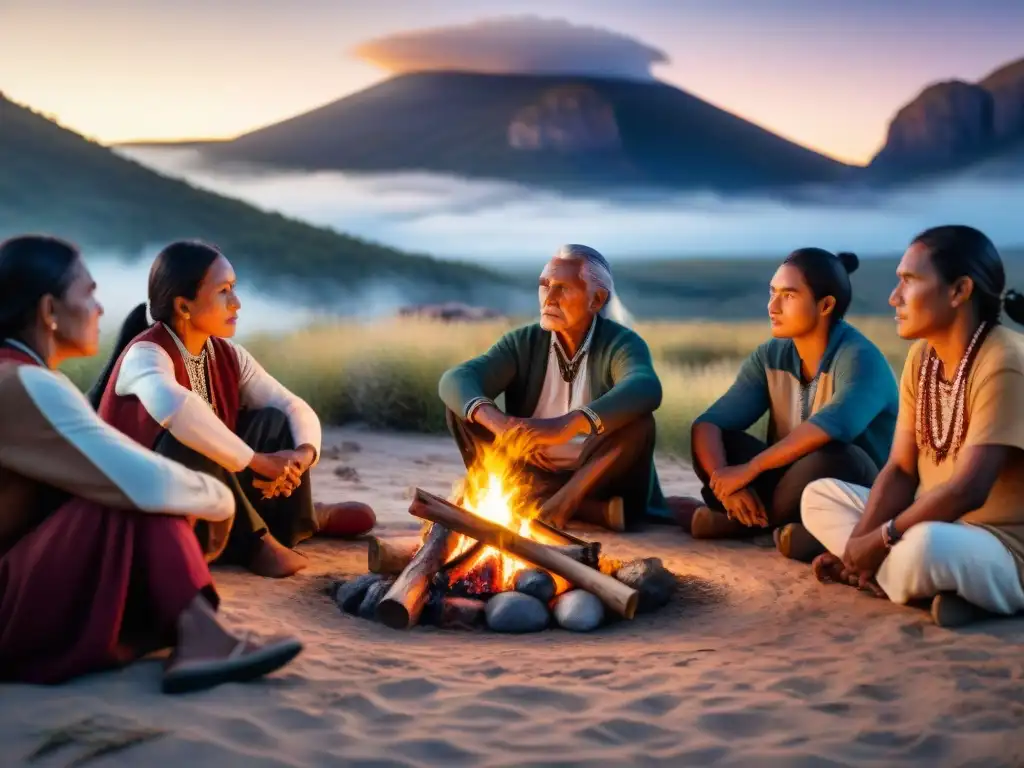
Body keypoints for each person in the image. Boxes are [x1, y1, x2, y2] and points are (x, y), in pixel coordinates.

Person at [0, 234, 302, 692]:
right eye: (89, 293)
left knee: (131, 490)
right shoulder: (24, 383)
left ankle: (198, 633)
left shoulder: (21, 376)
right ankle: (202, 637)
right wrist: (222, 502)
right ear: (49, 312)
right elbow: (140, 483)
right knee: (134, 495)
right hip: (9, 602)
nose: (101, 308)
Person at [90, 240, 375, 579]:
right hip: (146, 505)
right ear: (184, 306)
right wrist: (260, 462)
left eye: (234, 289)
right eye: (224, 291)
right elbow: (180, 411)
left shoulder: (226, 355)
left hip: (213, 496)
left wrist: (300, 456)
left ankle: (297, 521)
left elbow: (290, 404)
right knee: (191, 436)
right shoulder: (145, 355)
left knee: (273, 420)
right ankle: (256, 542)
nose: (236, 304)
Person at [802, 225, 1024, 627]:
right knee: (818, 497)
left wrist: (881, 539)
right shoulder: (923, 359)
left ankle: (907, 580)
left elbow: (969, 490)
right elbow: (901, 469)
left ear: (959, 291)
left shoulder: (1004, 360)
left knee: (925, 547)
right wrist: (859, 544)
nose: (894, 297)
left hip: (1000, 547)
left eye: (909, 281)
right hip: (931, 522)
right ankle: (931, 591)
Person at [670, 248, 898, 560]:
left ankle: (747, 524)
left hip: (854, 490)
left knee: (833, 456)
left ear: (825, 305)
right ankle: (779, 526)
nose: (772, 306)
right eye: (772, 292)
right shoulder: (770, 357)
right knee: (718, 444)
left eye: (788, 296)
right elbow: (710, 424)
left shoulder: (860, 358)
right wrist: (730, 484)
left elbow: (832, 428)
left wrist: (749, 470)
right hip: (787, 482)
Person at [439, 244, 666, 531]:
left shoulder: (621, 343)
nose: (550, 298)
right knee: (464, 408)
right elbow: (456, 378)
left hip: (596, 476)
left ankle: (564, 505)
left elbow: (645, 386)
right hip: (530, 470)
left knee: (639, 422)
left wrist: (566, 425)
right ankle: (587, 511)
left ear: (596, 299)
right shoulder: (523, 342)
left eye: (564, 288)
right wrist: (502, 425)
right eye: (545, 286)